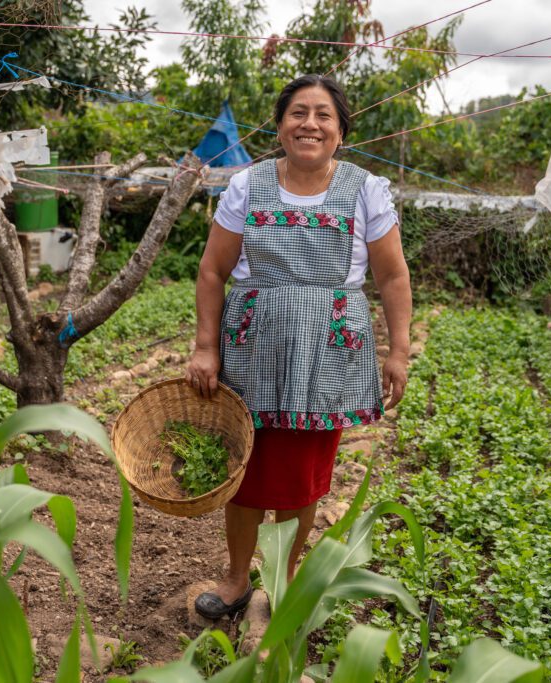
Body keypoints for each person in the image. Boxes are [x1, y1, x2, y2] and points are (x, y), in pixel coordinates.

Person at [185, 74, 411, 619]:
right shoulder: (246, 185)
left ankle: (281, 580)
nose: (310, 123)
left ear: (340, 131)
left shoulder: (365, 190)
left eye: (323, 115)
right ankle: (237, 579)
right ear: (281, 125)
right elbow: (214, 271)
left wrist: (398, 351)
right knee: (244, 472)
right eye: (298, 113)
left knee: (300, 478)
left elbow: (393, 278)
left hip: (328, 352)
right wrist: (205, 347)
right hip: (253, 349)